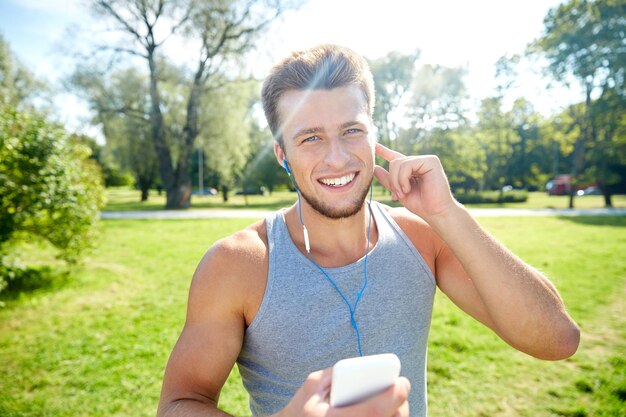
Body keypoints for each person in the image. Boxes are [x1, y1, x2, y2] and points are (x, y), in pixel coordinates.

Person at [157, 44, 580, 417]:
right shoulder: (238, 264)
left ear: (374, 135)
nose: (337, 158)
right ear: (282, 155)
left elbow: (557, 340)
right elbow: (178, 403)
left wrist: (446, 212)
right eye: (310, 138)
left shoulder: (423, 238)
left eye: (352, 130)